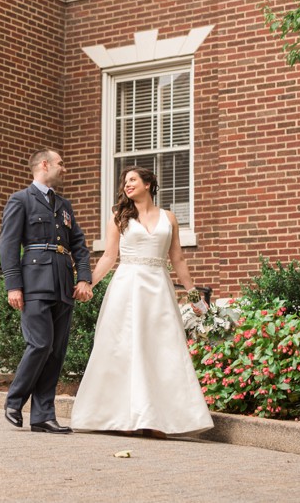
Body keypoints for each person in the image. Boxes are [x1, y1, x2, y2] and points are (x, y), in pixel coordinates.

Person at [70, 165, 213, 436]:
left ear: (148, 184)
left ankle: (157, 419)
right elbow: (109, 257)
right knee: (123, 348)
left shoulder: (169, 218)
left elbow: (178, 260)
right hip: (127, 287)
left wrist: (195, 297)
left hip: (159, 290)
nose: (127, 185)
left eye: (133, 180)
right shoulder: (119, 217)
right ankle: (122, 418)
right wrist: (87, 284)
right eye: (125, 182)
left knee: (162, 350)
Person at [0, 149, 93, 434]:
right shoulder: (21, 199)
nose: (64, 168)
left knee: (56, 353)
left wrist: (84, 278)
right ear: (44, 165)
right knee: (40, 344)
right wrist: (14, 285)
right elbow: (8, 244)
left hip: (63, 284)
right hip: (34, 283)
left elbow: (78, 244)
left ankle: (43, 416)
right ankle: (14, 401)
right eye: (60, 163)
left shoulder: (64, 205)